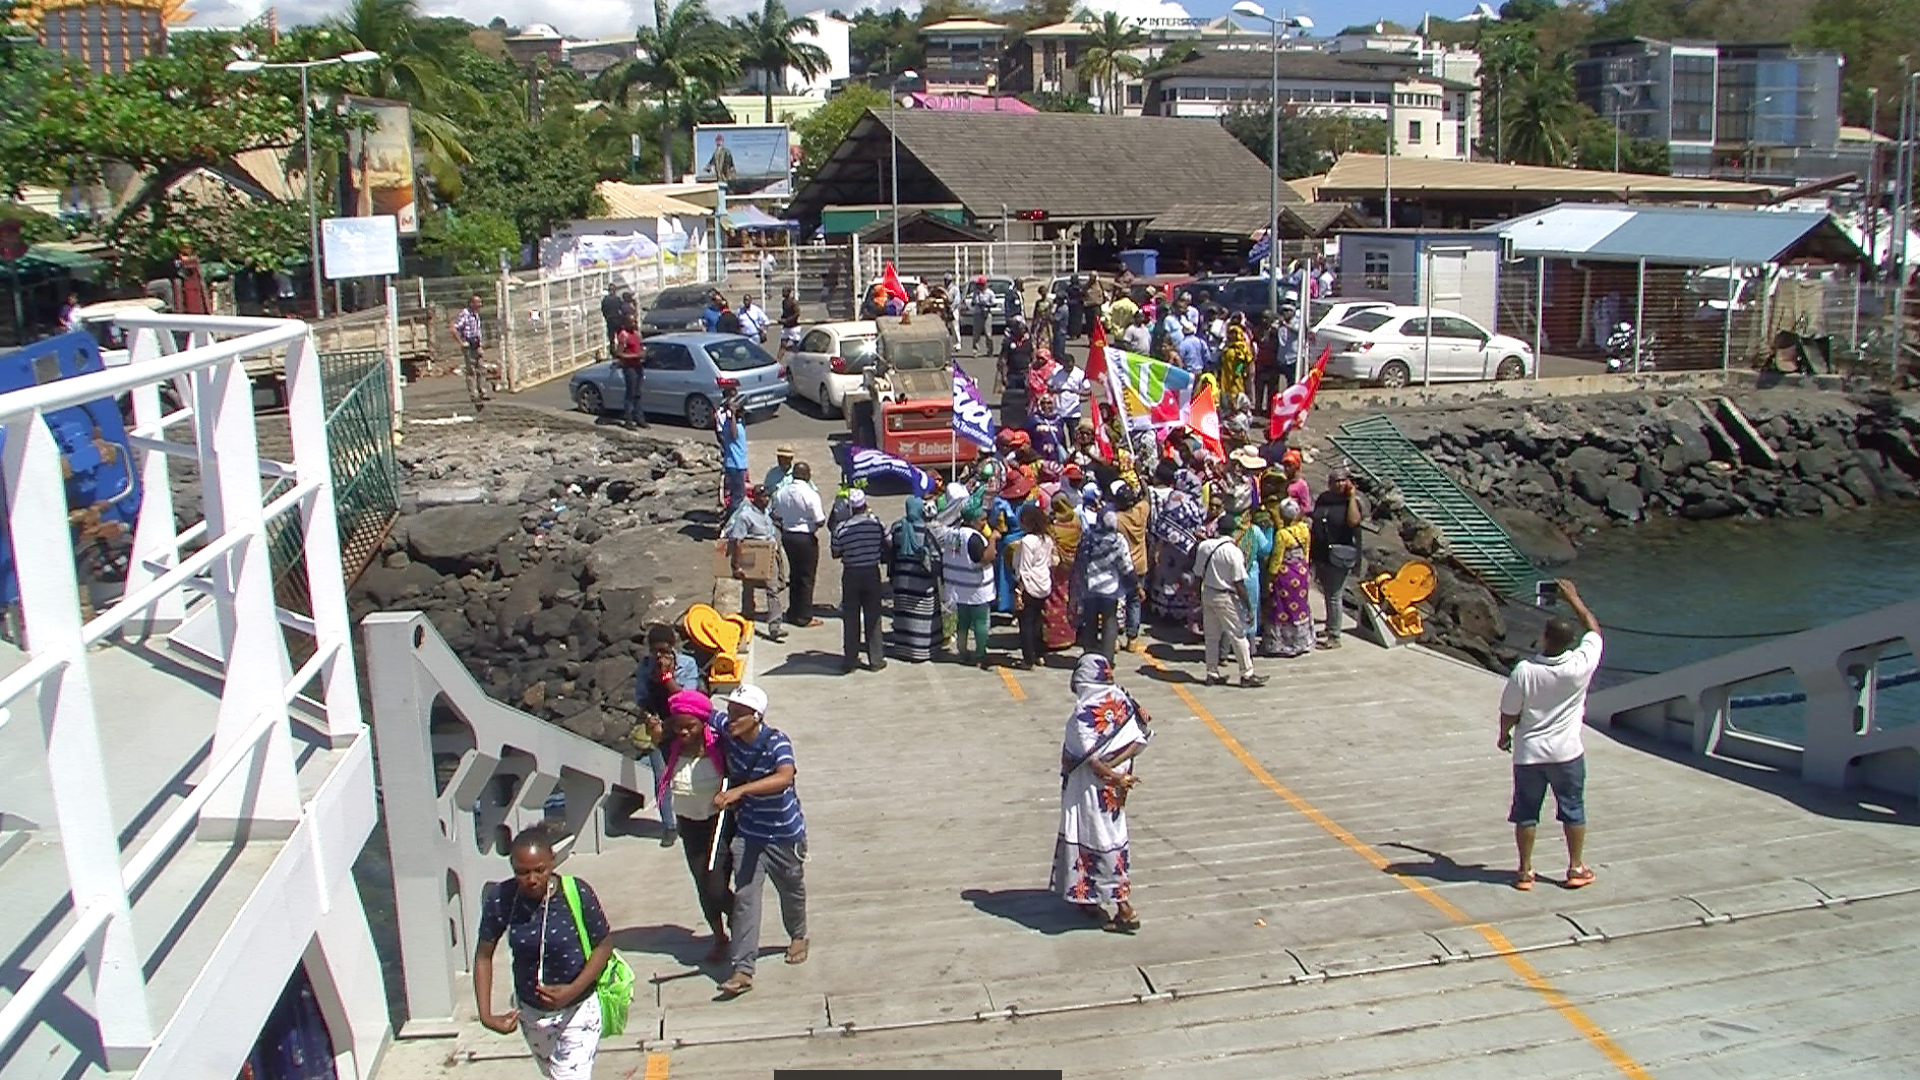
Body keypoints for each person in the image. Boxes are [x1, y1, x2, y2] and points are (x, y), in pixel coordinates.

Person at [473, 828, 615, 1078]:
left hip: (578, 1010)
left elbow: (603, 946)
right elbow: (484, 955)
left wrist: (572, 990)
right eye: (522, 872)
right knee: (554, 1074)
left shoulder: (577, 892)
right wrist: (486, 1015)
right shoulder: (502, 899)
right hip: (532, 1014)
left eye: (539, 870)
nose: (532, 879)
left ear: (552, 861)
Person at [1499, 579, 1603, 892]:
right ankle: (1575, 868)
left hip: (1530, 753)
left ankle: (1525, 871)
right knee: (1573, 809)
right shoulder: (1580, 665)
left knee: (1526, 813)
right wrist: (1574, 598)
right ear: (1570, 642)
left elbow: (1509, 712)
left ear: (1544, 638)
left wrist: (1503, 736)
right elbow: (1594, 631)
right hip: (1567, 753)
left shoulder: (1525, 671)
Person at [712, 684, 807, 997]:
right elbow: (700, 711)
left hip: (783, 835)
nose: (731, 719)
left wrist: (740, 792)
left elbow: (784, 777)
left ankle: (798, 934)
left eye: (739, 714)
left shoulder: (777, 742)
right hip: (749, 834)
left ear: (756, 717)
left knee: (791, 890)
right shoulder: (728, 731)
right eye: (730, 711)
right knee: (746, 899)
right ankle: (742, 970)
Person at [1051, 653, 1151, 933]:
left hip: (1090, 793)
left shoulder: (1083, 716)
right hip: (1115, 792)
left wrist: (1111, 773)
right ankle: (1089, 898)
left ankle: (1124, 908)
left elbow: (1089, 760)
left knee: (1099, 839)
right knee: (1112, 836)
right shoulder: (1123, 700)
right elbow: (1140, 735)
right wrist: (1121, 774)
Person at [645, 690, 731, 962]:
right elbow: (657, 735)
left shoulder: (720, 747)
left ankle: (741, 916)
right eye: (678, 726)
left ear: (703, 724)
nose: (683, 732)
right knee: (702, 886)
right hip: (688, 824)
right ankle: (720, 937)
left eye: (690, 726)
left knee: (716, 885)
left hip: (719, 823)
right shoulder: (671, 748)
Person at [1194, 512, 1266, 688]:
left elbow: (1197, 575)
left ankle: (1211, 673)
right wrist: (1248, 606)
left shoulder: (1204, 546)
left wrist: (1198, 597)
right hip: (1226, 596)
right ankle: (1246, 674)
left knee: (1211, 637)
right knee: (1238, 635)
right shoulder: (1233, 551)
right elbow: (1239, 582)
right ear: (1233, 532)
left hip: (1208, 593)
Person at [830, 488, 889, 673]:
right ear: (865, 505)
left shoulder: (842, 528)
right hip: (871, 573)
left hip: (851, 574)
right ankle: (876, 659)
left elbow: (835, 552)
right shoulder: (875, 524)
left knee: (850, 618)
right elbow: (886, 542)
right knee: (873, 617)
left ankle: (850, 661)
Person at [1310, 467, 1365, 649]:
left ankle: (1335, 636)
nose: (1340, 484)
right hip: (1322, 552)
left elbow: (1353, 521)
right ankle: (1329, 625)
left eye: (1343, 480)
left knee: (1334, 595)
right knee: (1327, 592)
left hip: (1341, 553)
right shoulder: (1324, 498)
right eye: (1336, 481)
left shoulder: (1352, 501)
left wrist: (1351, 496)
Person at [724, 484, 786, 643]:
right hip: (752, 557)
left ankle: (775, 627)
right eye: (762, 497)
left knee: (772, 589)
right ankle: (746, 621)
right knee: (748, 590)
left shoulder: (766, 512)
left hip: (768, 556)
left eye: (767, 496)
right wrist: (736, 566)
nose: (766, 499)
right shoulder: (745, 516)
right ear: (755, 498)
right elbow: (737, 540)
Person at [886, 495, 942, 662]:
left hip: (902, 581)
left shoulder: (897, 527)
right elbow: (935, 556)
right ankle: (922, 651)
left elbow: (891, 552)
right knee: (923, 616)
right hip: (922, 582)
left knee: (905, 616)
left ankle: (904, 649)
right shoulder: (925, 529)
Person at [940, 504, 997, 668]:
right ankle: (980, 654)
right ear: (972, 521)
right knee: (980, 622)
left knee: (963, 621)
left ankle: (962, 652)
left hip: (958, 587)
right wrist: (992, 539)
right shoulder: (973, 538)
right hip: (975, 588)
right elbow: (986, 557)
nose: (984, 523)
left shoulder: (952, 533)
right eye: (982, 520)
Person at [772, 461, 825, 629]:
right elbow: (820, 520)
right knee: (807, 577)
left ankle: (793, 611)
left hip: (788, 536)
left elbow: (777, 514)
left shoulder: (782, 492)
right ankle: (804, 616)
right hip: (805, 538)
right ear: (806, 475)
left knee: (794, 575)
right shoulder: (810, 494)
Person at [1073, 507, 1130, 659]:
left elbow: (1080, 561)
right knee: (1109, 623)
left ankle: (1089, 658)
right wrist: (1134, 585)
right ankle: (1107, 659)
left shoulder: (1088, 537)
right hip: (1111, 589)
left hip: (1089, 588)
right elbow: (1126, 566)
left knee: (1089, 623)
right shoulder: (1118, 540)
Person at [1262, 498, 1313, 658]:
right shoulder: (1304, 529)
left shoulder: (1282, 535)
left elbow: (1277, 559)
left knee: (1282, 607)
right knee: (1300, 606)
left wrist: (1270, 579)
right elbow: (1306, 551)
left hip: (1286, 573)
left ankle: (1282, 643)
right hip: (1301, 569)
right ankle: (1302, 641)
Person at [1010, 504, 1056, 669]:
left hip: (1029, 585)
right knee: (1038, 621)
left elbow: (1024, 568)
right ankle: (1040, 653)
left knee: (1026, 623)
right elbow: (1051, 562)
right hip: (1043, 583)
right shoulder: (1047, 539)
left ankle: (1028, 658)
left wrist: (1019, 590)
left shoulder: (1027, 542)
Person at [1112, 483, 1150, 651]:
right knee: (1134, 602)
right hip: (1140, 565)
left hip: (1121, 566)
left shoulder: (1116, 519)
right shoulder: (1141, 512)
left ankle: (1113, 638)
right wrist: (1141, 480)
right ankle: (1132, 638)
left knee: (1115, 602)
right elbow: (1147, 498)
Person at [1042, 494, 1082, 651]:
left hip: (1056, 567)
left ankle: (1053, 636)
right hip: (1072, 566)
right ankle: (1069, 634)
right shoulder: (1076, 522)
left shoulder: (1052, 526)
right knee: (1068, 597)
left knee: (1053, 598)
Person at [452, 294, 490, 411]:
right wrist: (461, 342)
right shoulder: (465, 314)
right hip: (468, 346)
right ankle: (474, 395)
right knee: (471, 371)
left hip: (476, 345)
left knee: (481, 369)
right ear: (471, 303)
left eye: (480, 302)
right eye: (477, 303)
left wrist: (480, 345)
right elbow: (454, 328)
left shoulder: (476, 315)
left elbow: (477, 331)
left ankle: (483, 392)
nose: (480, 305)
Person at [715, 390, 749, 519]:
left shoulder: (736, 423)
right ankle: (732, 520)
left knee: (737, 495)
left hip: (737, 464)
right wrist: (733, 414)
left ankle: (732, 518)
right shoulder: (730, 424)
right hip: (735, 465)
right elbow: (734, 435)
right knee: (737, 496)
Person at [611, 315, 646, 428]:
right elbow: (619, 353)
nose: (634, 323)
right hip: (629, 367)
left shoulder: (636, 334)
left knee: (638, 393)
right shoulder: (624, 335)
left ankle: (639, 418)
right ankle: (628, 420)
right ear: (625, 323)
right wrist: (635, 356)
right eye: (631, 322)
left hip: (638, 366)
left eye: (634, 321)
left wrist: (643, 354)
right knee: (630, 394)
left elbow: (640, 347)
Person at [966, 276, 996, 355]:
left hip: (986, 314)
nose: (979, 286)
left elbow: (994, 303)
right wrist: (977, 303)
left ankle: (990, 350)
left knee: (988, 334)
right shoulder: (976, 293)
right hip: (978, 314)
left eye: (981, 284)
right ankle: (975, 350)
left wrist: (986, 305)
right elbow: (973, 303)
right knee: (976, 333)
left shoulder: (990, 293)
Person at [600, 281, 624, 353]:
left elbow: (603, 310)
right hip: (618, 320)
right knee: (620, 336)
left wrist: (606, 317)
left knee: (611, 337)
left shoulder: (605, 300)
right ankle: (620, 350)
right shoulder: (617, 299)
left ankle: (612, 351)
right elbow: (621, 308)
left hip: (610, 320)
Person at [778, 287, 803, 355]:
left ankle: (800, 358)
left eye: (784, 291)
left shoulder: (793, 302)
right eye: (782, 291)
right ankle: (778, 362)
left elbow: (797, 313)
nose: (783, 293)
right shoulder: (784, 302)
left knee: (797, 346)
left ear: (788, 293)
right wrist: (782, 318)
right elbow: (785, 313)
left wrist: (787, 320)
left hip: (794, 327)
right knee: (783, 345)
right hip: (786, 327)